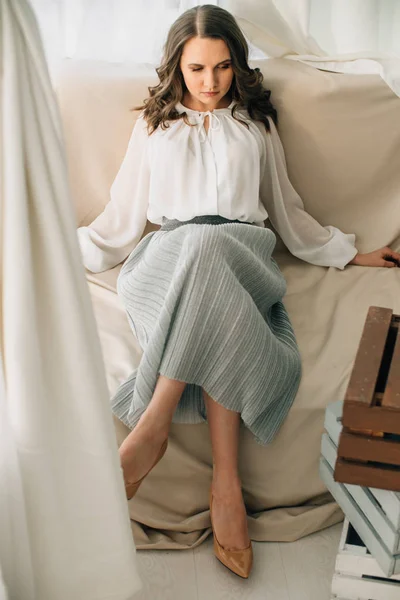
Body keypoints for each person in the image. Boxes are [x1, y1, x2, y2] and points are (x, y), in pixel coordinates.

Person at [77, 4, 400, 579]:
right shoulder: (154, 125)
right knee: (201, 252)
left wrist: (354, 252)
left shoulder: (256, 124)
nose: (210, 82)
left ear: (237, 65)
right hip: (166, 260)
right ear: (177, 66)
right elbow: (120, 221)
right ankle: (226, 485)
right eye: (197, 69)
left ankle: (152, 426)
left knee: (215, 248)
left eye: (222, 68)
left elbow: (289, 214)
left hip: (244, 252)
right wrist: (47, 253)